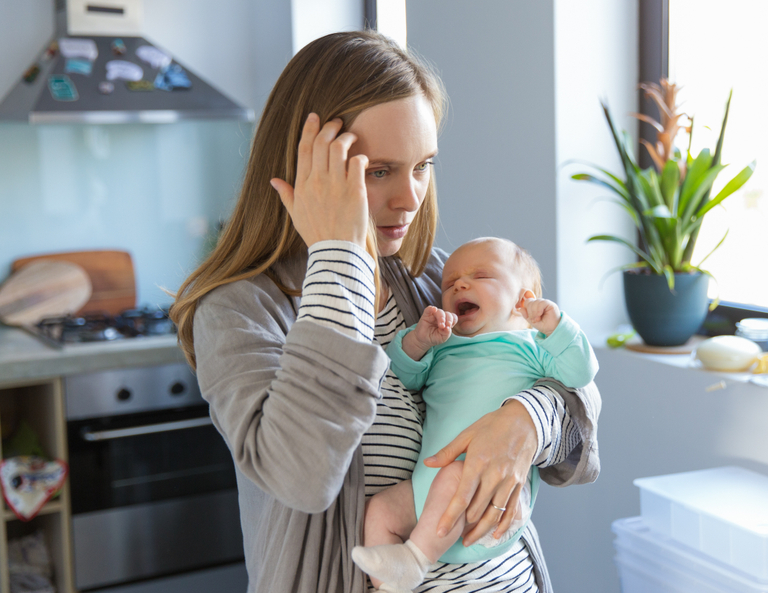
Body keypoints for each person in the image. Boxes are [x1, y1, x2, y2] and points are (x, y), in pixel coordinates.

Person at [169, 30, 601, 593]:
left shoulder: (434, 282)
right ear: (307, 173)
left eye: (422, 165)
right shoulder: (239, 311)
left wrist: (522, 422)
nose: (410, 198)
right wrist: (339, 257)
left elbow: (578, 407)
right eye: (379, 172)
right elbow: (302, 476)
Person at [352, 237, 598, 593]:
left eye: (480, 276)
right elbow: (401, 376)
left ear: (523, 299)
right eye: (449, 284)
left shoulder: (531, 346)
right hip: (425, 489)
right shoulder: (443, 345)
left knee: (456, 475)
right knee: (379, 512)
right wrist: (419, 342)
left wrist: (558, 327)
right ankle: (388, 584)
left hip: (485, 494)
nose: (460, 285)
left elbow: (580, 376)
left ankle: (415, 561)